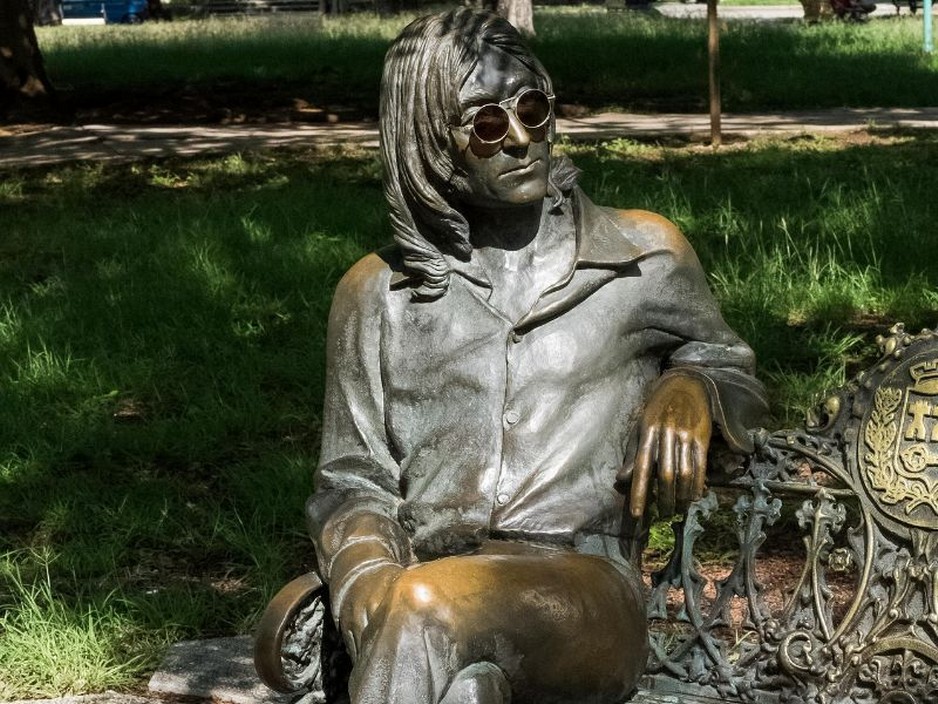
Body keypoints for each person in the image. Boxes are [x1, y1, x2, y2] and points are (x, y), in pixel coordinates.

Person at [305, 9, 767, 704]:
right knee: (466, 690)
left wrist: (695, 387)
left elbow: (736, 372)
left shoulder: (642, 257)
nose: (520, 139)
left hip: (586, 596)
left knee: (430, 608)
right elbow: (351, 483)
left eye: (533, 107)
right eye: (486, 124)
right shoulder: (376, 296)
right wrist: (370, 587)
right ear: (431, 144)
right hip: (421, 592)